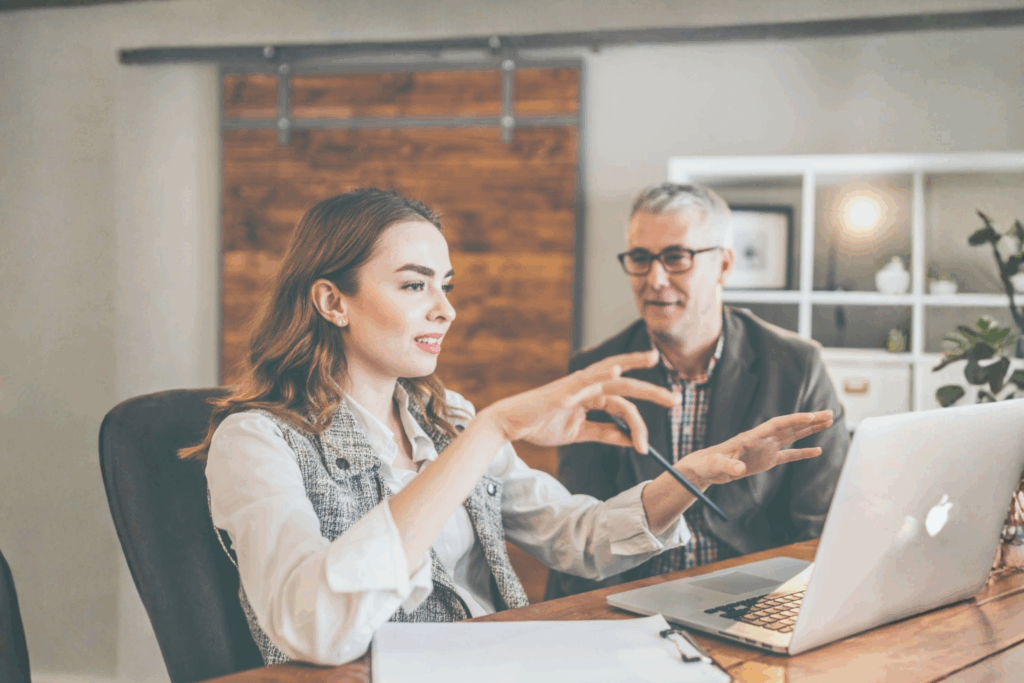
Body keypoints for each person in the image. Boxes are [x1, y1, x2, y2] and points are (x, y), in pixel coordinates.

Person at [181, 188, 834, 666]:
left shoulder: (447, 416)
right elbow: (317, 627)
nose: (446, 308)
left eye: (447, 284)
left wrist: (690, 477)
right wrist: (491, 432)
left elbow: (578, 537)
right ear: (332, 300)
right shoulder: (256, 440)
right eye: (415, 286)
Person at [545, 183, 849, 601]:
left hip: (754, 596)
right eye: (640, 258)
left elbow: (821, 527)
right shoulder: (595, 371)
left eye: (676, 258)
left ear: (724, 265)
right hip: (635, 600)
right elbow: (581, 528)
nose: (655, 279)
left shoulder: (797, 367)